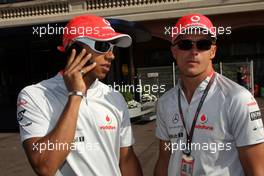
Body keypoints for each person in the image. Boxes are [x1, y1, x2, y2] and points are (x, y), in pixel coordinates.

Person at [17, 14, 143, 176]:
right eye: (103, 46)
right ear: (75, 49)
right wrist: (75, 95)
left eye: (112, 47)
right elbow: (44, 166)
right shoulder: (34, 95)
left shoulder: (114, 97)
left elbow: (126, 159)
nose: (111, 55)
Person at [154, 13, 264, 176]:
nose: (194, 51)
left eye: (203, 44)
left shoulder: (237, 98)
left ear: (212, 51)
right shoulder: (165, 102)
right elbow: (165, 157)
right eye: (185, 44)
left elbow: (257, 169)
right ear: (174, 51)